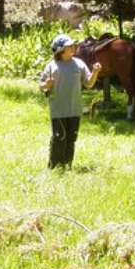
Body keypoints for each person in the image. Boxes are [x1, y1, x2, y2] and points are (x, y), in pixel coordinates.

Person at [39, 33, 101, 169]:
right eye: (70, 46)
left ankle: (67, 164)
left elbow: (89, 84)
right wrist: (47, 85)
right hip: (58, 110)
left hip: (75, 109)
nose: (74, 47)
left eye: (73, 45)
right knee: (59, 137)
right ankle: (54, 166)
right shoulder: (52, 66)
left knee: (71, 139)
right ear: (60, 49)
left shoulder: (79, 64)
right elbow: (41, 85)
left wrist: (95, 72)